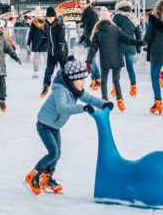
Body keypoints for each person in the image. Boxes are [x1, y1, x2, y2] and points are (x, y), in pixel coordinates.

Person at [26, 59, 108, 196]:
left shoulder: (75, 90)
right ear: (73, 79)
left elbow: (88, 98)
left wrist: (104, 104)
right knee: (53, 153)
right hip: (44, 125)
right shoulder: (61, 90)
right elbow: (62, 108)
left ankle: (46, 179)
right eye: (81, 79)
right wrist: (82, 108)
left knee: (57, 153)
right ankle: (33, 175)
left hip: (55, 126)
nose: (83, 82)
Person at [87, 8, 144, 111]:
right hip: (117, 59)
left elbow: (93, 49)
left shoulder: (97, 32)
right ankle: (120, 100)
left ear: (99, 20)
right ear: (109, 18)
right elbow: (127, 39)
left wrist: (89, 61)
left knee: (104, 81)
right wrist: (139, 42)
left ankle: (104, 101)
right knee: (116, 80)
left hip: (105, 60)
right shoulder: (116, 29)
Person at [112, 1, 141, 98]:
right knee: (130, 68)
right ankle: (134, 88)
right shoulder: (134, 18)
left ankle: (115, 89)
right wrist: (138, 47)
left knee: (118, 68)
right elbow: (138, 34)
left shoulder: (116, 17)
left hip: (119, 45)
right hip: (131, 45)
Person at [40, 7, 68, 97]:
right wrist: (39, 46)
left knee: (64, 69)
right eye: (48, 18)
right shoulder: (46, 26)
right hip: (51, 51)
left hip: (61, 50)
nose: (50, 19)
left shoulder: (60, 25)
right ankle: (45, 86)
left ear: (55, 17)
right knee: (49, 69)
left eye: (52, 18)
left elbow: (61, 40)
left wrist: (62, 52)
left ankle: (68, 85)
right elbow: (45, 37)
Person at [79, 0, 101, 89]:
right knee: (90, 60)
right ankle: (94, 79)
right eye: (80, 4)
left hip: (93, 40)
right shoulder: (85, 14)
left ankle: (98, 78)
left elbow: (95, 29)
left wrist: (89, 39)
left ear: (88, 4)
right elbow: (86, 29)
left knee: (91, 60)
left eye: (83, 4)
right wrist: (82, 38)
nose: (81, 5)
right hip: (88, 40)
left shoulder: (92, 14)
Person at [27, 13, 47, 79]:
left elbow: (31, 33)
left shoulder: (34, 22)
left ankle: (36, 73)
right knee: (46, 58)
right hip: (45, 42)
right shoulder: (46, 22)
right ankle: (49, 72)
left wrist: (28, 43)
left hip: (37, 42)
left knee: (37, 58)